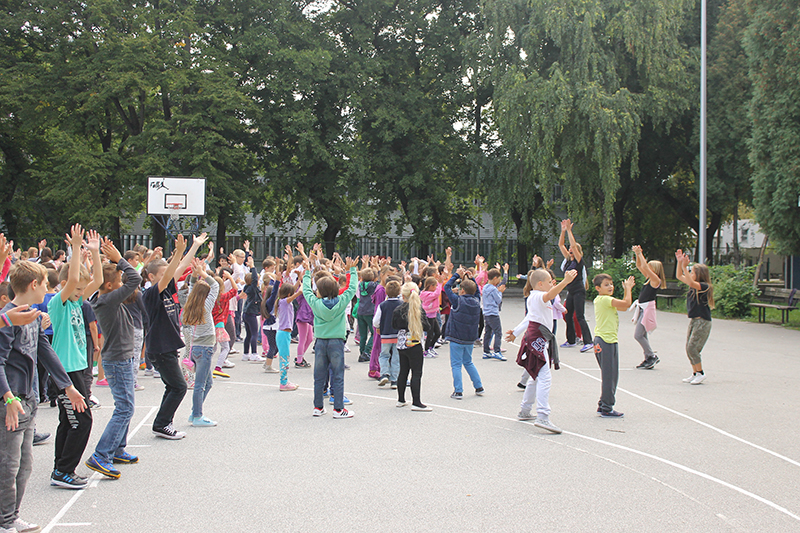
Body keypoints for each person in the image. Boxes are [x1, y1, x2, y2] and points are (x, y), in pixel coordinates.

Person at [1, 259, 87, 532]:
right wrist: (8, 397)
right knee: (8, 465)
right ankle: (5, 520)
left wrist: (68, 387)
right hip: (12, 402)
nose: (48, 290)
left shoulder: (33, 316)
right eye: (45, 285)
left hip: (28, 399)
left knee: (24, 464)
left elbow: (45, 351)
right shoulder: (8, 318)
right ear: (33, 285)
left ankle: (12, 516)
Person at [47, 225, 103, 488]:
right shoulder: (57, 304)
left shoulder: (77, 301)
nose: (81, 294)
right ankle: (64, 470)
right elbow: (71, 281)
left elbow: (97, 281)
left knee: (68, 421)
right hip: (65, 371)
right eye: (78, 290)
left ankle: (60, 468)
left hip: (78, 368)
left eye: (82, 291)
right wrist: (77, 248)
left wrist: (95, 253)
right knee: (82, 421)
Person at [85, 238, 142, 479]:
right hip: (117, 360)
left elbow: (132, 280)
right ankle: (101, 454)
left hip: (122, 357)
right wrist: (119, 259)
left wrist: (114, 262)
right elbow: (136, 279)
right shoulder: (107, 301)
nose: (123, 284)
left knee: (127, 406)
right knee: (124, 408)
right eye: (119, 281)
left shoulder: (108, 297)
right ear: (109, 285)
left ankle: (118, 449)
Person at [143, 233, 207, 439]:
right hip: (160, 348)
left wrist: (194, 247)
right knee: (179, 387)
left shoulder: (166, 288)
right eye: (164, 274)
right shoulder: (151, 293)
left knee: (173, 386)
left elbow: (179, 269)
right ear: (151, 277)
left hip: (168, 346)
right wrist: (178, 252)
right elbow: (171, 272)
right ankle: (161, 424)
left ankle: (163, 423)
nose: (169, 276)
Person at [506, 269, 576, 434]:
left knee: (535, 375)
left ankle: (525, 410)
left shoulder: (535, 298)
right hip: (538, 339)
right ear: (540, 284)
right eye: (550, 281)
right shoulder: (538, 296)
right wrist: (565, 282)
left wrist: (516, 332)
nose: (552, 284)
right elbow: (550, 295)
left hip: (538, 338)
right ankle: (543, 416)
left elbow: (529, 318)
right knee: (544, 377)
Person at [302, 253, 358, 419]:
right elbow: (352, 288)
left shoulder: (315, 303)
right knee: (338, 375)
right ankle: (338, 409)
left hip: (320, 342)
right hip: (336, 342)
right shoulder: (341, 301)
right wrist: (352, 271)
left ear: (319, 291)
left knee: (319, 376)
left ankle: (318, 407)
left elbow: (306, 290)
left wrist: (307, 273)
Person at [180, 259, 220, 427]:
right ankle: (197, 416)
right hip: (204, 349)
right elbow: (215, 286)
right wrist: (202, 273)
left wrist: (195, 275)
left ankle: (195, 411)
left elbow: (191, 287)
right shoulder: (205, 308)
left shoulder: (191, 304)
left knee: (208, 383)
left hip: (197, 348)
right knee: (200, 385)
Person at [592, 273, 635, 418]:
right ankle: (606, 407)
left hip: (607, 340)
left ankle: (603, 404)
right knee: (610, 376)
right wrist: (628, 288)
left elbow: (623, 308)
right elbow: (626, 303)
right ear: (598, 288)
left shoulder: (603, 300)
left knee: (610, 375)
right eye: (606, 285)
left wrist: (626, 290)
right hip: (606, 341)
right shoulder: (605, 299)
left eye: (611, 284)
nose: (610, 287)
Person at [443, 267, 484, 400]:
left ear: (462, 291)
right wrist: (472, 279)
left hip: (456, 336)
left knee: (456, 364)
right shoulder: (476, 301)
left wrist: (456, 275)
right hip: (470, 338)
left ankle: (458, 390)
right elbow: (477, 292)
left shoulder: (458, 300)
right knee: (468, 362)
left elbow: (446, 287)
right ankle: (478, 386)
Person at [675, 249, 714, 385]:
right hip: (694, 320)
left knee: (693, 348)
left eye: (692, 273)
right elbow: (679, 276)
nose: (690, 275)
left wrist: (685, 267)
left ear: (699, 275)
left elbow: (691, 283)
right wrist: (680, 263)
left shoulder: (704, 286)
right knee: (688, 348)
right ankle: (695, 373)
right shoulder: (694, 285)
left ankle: (701, 373)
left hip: (702, 322)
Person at [392, 282, 432, 411]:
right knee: (416, 373)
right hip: (415, 343)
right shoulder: (418, 310)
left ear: (403, 296)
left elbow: (394, 325)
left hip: (401, 343)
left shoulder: (398, 310)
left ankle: (401, 399)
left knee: (403, 371)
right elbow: (427, 327)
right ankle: (416, 402)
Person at [558, 219, 593, 352]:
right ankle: (571, 340)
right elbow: (561, 244)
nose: (570, 250)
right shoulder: (568, 260)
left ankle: (588, 341)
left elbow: (572, 244)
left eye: (572, 249)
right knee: (567, 315)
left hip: (579, 291)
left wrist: (569, 231)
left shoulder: (579, 261)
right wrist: (563, 231)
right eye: (569, 249)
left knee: (579, 316)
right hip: (571, 291)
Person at [632, 246, 666, 370]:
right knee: (642, 335)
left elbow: (645, 266)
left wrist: (640, 253)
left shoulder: (656, 280)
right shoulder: (648, 278)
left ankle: (651, 356)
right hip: (642, 308)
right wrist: (637, 254)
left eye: (650, 267)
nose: (647, 267)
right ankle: (648, 357)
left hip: (647, 309)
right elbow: (640, 266)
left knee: (638, 335)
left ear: (654, 269)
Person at [274, 280, 302, 392]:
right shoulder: (283, 302)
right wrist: (301, 289)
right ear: (289, 294)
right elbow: (297, 293)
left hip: (285, 333)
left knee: (285, 357)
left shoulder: (284, 301)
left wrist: (299, 280)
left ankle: (285, 381)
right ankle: (283, 383)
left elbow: (293, 291)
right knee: (284, 359)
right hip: (283, 334)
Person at [373, 280, 402, 388]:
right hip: (398, 335)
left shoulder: (382, 305)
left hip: (385, 334)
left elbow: (376, 321)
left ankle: (384, 373)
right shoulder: (402, 304)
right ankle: (394, 380)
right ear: (399, 292)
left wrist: (378, 327)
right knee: (396, 357)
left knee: (384, 355)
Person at [481, 265, 509, 361]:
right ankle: (497, 351)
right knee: (498, 332)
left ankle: (486, 351)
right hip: (493, 313)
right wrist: (500, 292)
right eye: (499, 279)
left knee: (488, 332)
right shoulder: (493, 289)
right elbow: (498, 300)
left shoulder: (485, 287)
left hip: (486, 313)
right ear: (495, 278)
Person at [241, 255, 265, 363]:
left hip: (246, 313)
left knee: (249, 334)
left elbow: (254, 279)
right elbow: (254, 279)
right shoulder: (252, 288)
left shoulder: (247, 287)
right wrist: (253, 267)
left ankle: (246, 354)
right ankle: (254, 353)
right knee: (254, 333)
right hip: (250, 313)